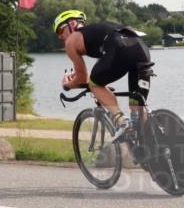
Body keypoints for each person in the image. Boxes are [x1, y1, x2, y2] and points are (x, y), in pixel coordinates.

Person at [54, 10, 152, 138]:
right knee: (137, 107)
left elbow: (83, 79)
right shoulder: (98, 31)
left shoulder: (70, 42)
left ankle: (122, 122)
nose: (59, 37)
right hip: (141, 49)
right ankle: (151, 145)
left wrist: (67, 85)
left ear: (72, 24)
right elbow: (104, 63)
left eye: (60, 31)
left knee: (94, 84)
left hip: (119, 48)